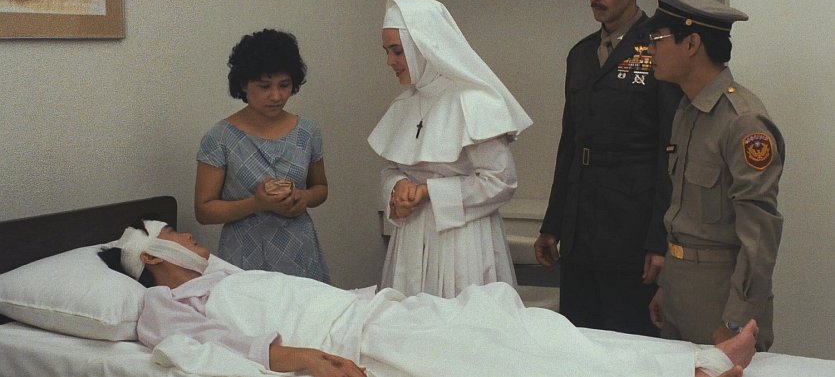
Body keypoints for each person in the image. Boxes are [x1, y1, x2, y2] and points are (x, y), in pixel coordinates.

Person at [100, 221, 756, 377]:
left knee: (529, 326)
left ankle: (684, 360)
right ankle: (692, 371)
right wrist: (302, 359)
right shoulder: (162, 305)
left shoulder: (222, 276)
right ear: (153, 257)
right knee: (501, 361)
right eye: (177, 236)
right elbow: (196, 346)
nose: (194, 238)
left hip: (377, 308)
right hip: (353, 339)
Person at [535, 0, 682, 336]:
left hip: (630, 232)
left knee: (629, 344)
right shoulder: (581, 55)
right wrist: (553, 223)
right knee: (578, 341)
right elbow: (570, 144)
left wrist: (659, 240)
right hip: (580, 230)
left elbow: (670, 153)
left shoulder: (660, 50)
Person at [643, 0, 784, 351]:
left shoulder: (743, 122)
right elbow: (683, 213)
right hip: (679, 289)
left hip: (720, 299)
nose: (650, 50)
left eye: (657, 40)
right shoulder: (686, 111)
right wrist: (667, 286)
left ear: (691, 44)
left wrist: (736, 319)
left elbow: (760, 236)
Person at [368, 0, 533, 298]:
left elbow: (500, 181)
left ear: (425, 46)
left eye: (397, 51)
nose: (390, 61)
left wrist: (429, 192)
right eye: (387, 52)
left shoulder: (474, 101)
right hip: (410, 239)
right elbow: (391, 167)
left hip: (463, 242)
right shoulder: (405, 104)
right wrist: (397, 187)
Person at [194, 28, 330, 282]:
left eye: (284, 85)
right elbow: (204, 210)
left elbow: (321, 188)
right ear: (244, 84)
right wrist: (257, 204)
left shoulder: (307, 131)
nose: (276, 96)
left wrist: (304, 197)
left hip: (299, 251)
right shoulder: (220, 137)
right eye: (264, 86)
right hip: (244, 255)